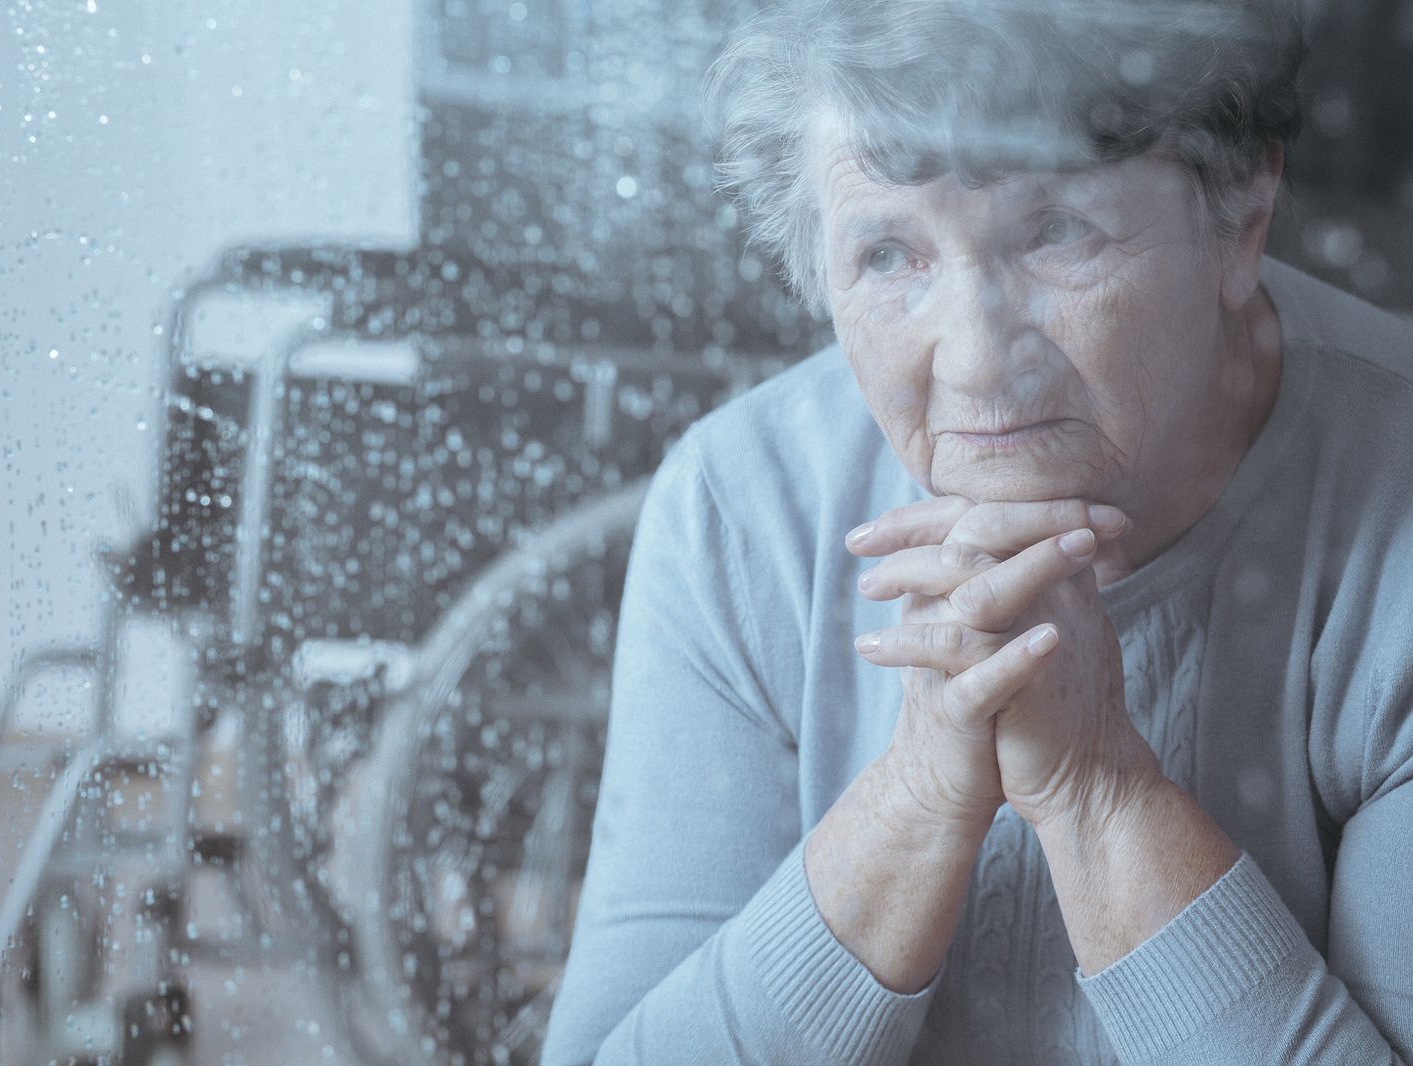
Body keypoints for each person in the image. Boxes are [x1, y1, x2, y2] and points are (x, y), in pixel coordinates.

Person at [538, 0, 1413, 1063]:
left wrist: (1095, 789)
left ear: (1240, 218)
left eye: (1056, 233)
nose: (974, 363)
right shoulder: (742, 509)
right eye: (887, 256)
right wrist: (916, 789)